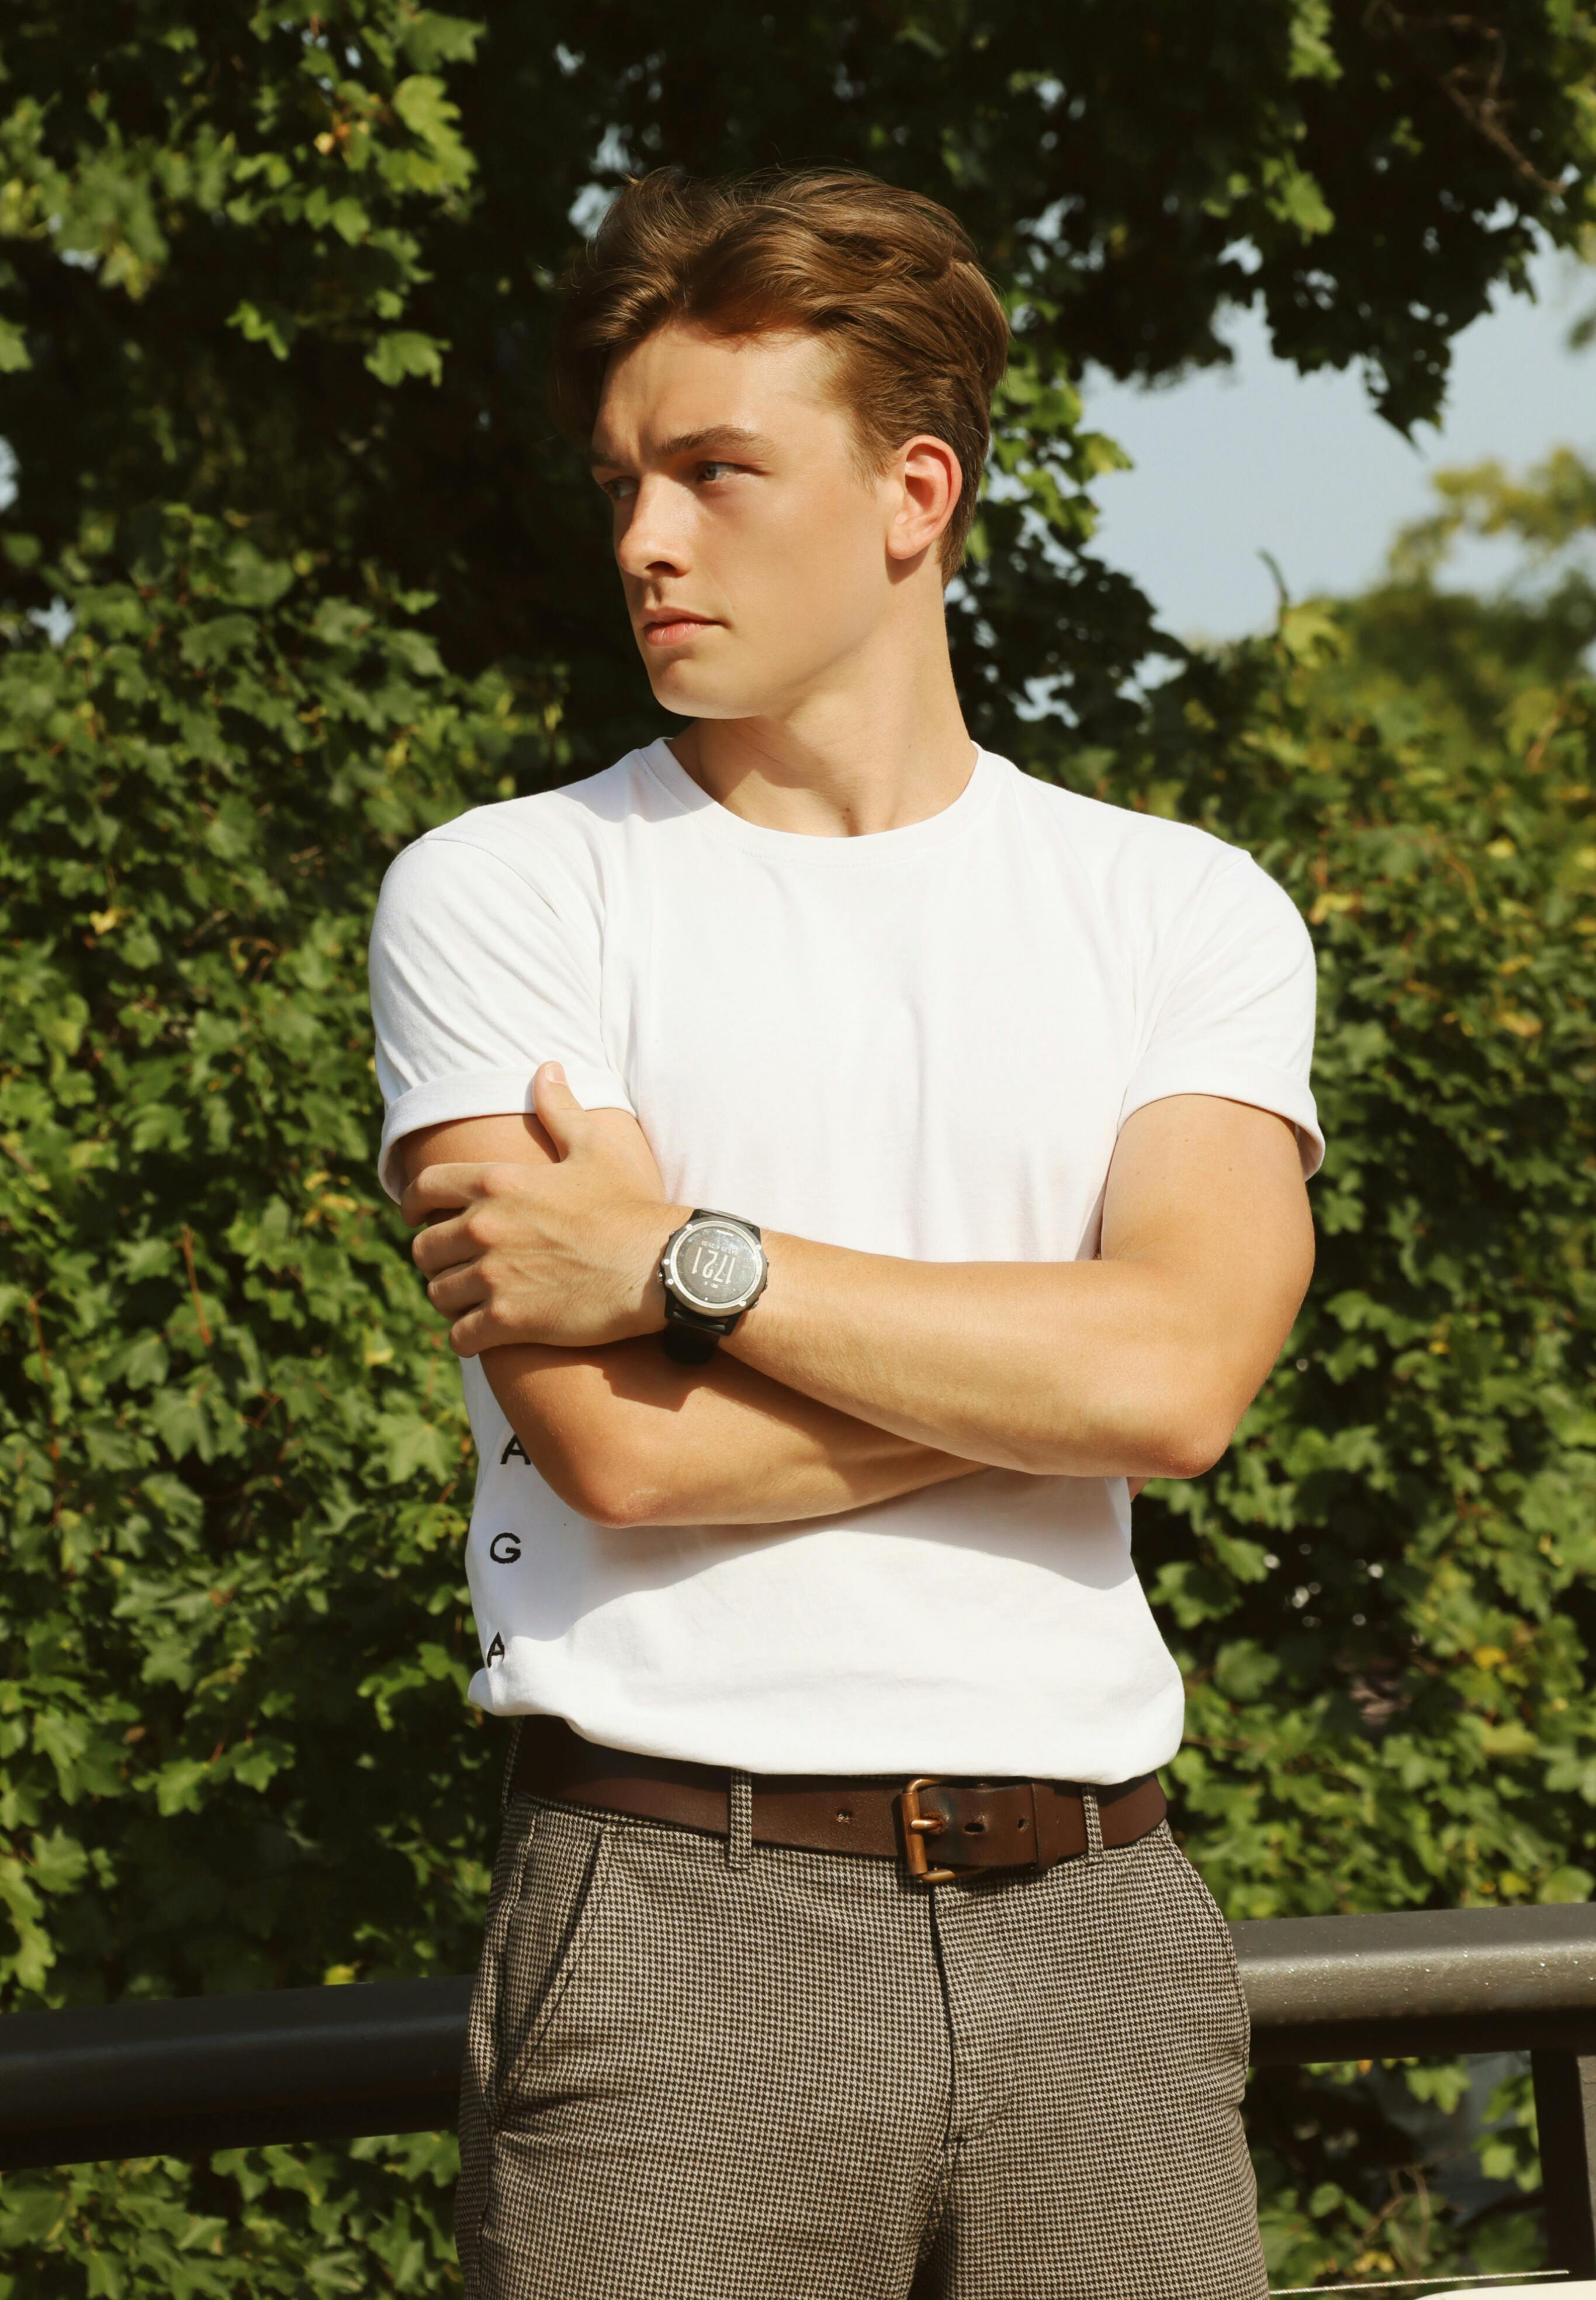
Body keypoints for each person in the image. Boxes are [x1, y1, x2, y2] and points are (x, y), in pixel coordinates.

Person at [367, 164, 1320, 2300]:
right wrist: (1065, 1375)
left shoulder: (1178, 909)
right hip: (674, 1916)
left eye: (714, 470)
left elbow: (1182, 1384)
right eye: (621, 481)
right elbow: (625, 1452)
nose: (644, 536)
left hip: (1102, 1923)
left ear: (915, 494)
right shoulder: (508, 892)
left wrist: (692, 1267)